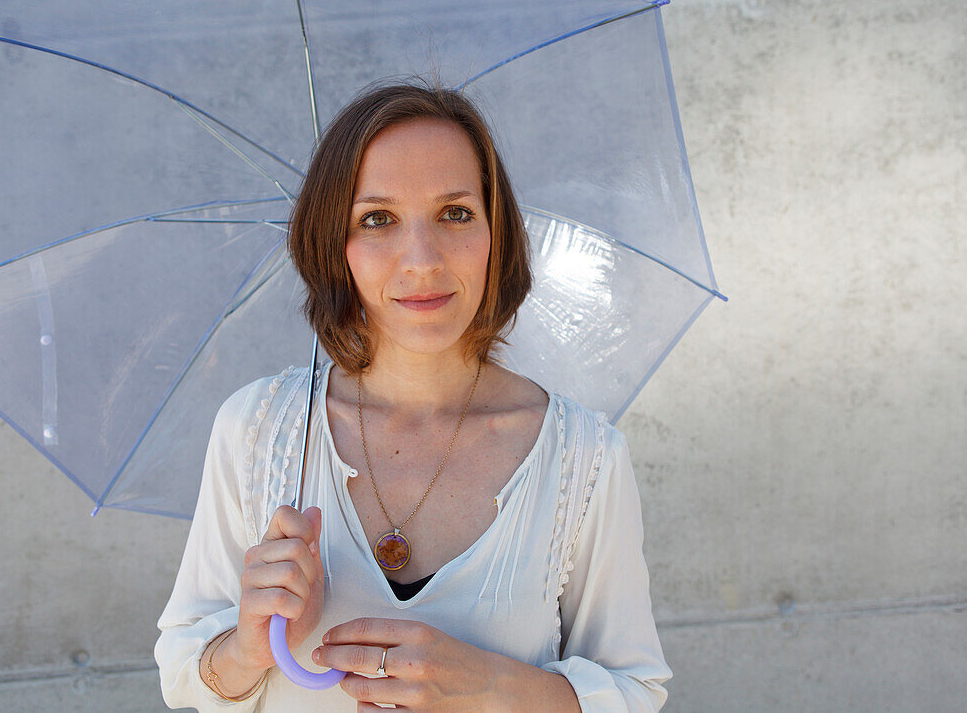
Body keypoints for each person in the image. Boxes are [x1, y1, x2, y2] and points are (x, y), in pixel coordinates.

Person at [155, 82, 672, 711]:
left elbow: (634, 693)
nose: (422, 260)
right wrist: (247, 648)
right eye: (377, 219)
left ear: (495, 233)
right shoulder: (259, 430)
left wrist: (485, 686)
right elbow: (184, 675)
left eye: (456, 213)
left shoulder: (584, 459)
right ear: (334, 246)